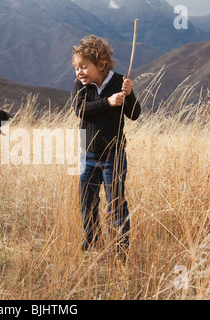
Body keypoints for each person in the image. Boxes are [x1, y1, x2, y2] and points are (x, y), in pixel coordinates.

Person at [72, 35, 141, 255]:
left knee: (116, 203)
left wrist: (128, 96)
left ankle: (120, 250)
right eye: (76, 67)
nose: (79, 72)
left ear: (101, 65)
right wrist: (107, 102)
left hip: (114, 156)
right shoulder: (81, 86)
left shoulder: (119, 82)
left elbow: (134, 114)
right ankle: (91, 243)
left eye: (84, 66)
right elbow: (80, 110)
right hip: (88, 155)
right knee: (87, 201)